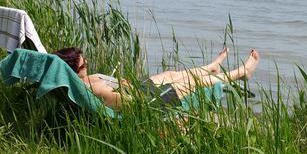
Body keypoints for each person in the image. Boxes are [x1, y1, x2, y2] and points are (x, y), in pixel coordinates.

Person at [53, 46, 260, 111]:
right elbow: (132, 106)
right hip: (148, 101)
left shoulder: (83, 82)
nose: (87, 63)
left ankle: (211, 67)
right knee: (191, 83)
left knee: (171, 73)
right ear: (74, 68)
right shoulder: (92, 90)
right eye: (83, 64)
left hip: (138, 88)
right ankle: (242, 72)